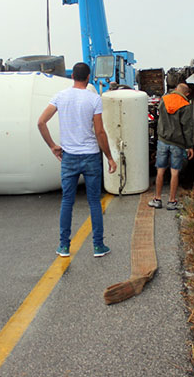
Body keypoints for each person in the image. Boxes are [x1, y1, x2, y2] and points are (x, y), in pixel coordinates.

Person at [37, 62, 117, 258]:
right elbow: (99, 131)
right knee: (94, 203)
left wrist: (52, 146)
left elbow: (41, 122)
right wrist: (109, 157)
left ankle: (64, 246)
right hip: (90, 156)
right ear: (88, 77)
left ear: (72, 76)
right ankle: (98, 246)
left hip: (69, 156)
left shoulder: (60, 96)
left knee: (67, 201)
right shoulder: (94, 99)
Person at [148, 83, 194, 210]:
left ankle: (157, 199)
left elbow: (159, 120)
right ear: (187, 93)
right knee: (174, 172)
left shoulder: (164, 100)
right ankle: (171, 201)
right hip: (177, 144)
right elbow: (187, 128)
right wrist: (189, 146)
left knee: (160, 170)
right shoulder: (185, 105)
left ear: (175, 90)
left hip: (163, 141)